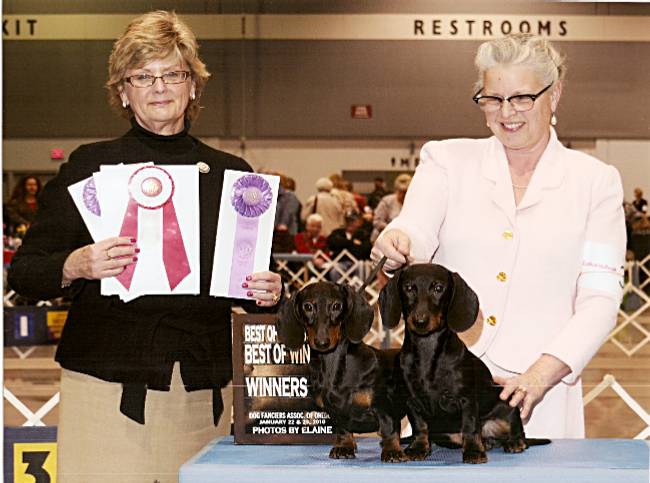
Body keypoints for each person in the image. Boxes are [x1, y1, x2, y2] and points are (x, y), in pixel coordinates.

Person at [8, 11, 282, 483]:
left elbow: (253, 288)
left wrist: (270, 290)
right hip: (104, 387)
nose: (159, 87)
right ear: (123, 90)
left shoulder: (232, 174)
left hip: (204, 391)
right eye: (143, 76)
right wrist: (76, 264)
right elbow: (26, 272)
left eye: (173, 73)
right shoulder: (88, 166)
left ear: (193, 85)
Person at [371, 33, 625, 439]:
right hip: (439, 390)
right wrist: (397, 239)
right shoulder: (446, 160)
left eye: (522, 97)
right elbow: (415, 227)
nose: (507, 112)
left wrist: (543, 372)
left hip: (542, 396)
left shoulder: (597, 182)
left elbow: (600, 296)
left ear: (554, 94)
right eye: (493, 98)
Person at [371, 173, 412, 242]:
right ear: (396, 190)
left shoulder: (412, 203)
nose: (403, 195)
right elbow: (377, 221)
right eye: (400, 191)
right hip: (384, 237)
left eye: (405, 192)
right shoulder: (387, 201)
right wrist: (391, 228)